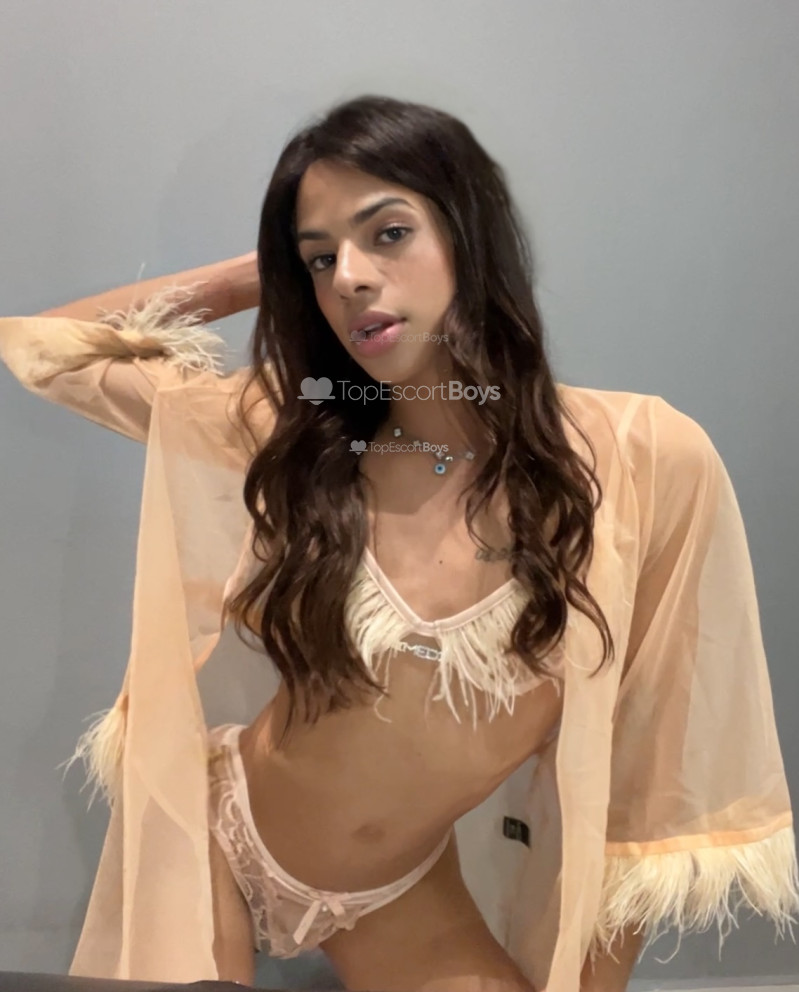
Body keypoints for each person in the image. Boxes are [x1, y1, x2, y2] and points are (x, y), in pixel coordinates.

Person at [1, 94, 797, 992]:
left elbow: (645, 771)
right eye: (320, 258)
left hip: (398, 888)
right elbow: (47, 349)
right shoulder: (291, 428)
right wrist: (269, 270)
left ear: (469, 232)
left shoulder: (645, 459)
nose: (348, 277)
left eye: (388, 233)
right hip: (219, 831)